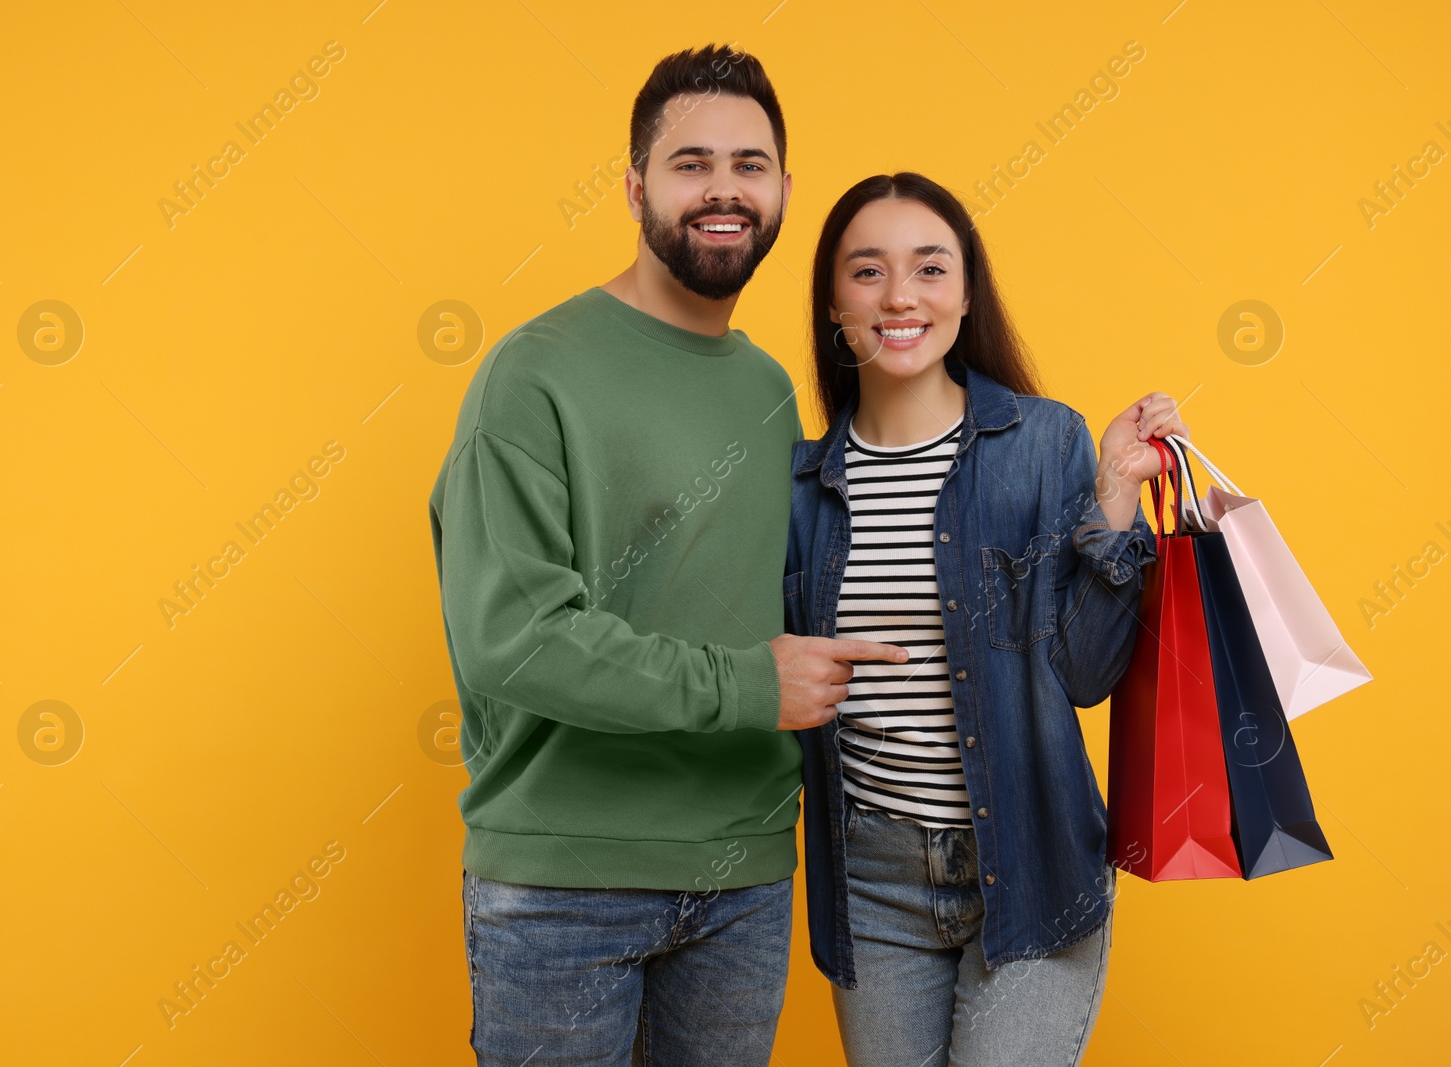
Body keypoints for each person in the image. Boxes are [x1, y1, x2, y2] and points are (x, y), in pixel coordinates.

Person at [428, 46, 907, 1066]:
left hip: (744, 879)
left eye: (750, 164)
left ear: (783, 190)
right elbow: (512, 642)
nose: (724, 189)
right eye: (691, 163)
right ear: (636, 186)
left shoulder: (775, 388)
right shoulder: (534, 374)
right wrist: (747, 684)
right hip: (562, 890)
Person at [784, 172, 1190, 1066]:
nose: (899, 296)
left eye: (930, 268)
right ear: (832, 302)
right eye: (867, 271)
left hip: (1033, 859)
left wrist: (1115, 495)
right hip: (871, 882)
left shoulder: (1046, 443)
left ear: (967, 294)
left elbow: (1085, 675)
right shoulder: (800, 486)